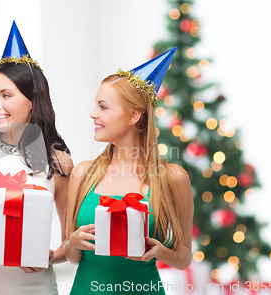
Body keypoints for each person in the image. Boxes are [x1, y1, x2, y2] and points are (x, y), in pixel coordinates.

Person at [0, 21, 73, 295]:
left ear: (33, 100)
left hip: (37, 288)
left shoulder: (59, 162)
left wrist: (51, 257)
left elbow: (70, 241)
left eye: (7, 95)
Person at [64, 48, 194, 294]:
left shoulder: (173, 178)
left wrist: (161, 252)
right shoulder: (82, 174)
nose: (93, 114)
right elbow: (72, 256)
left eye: (103, 107)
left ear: (134, 115)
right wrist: (72, 242)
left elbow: (184, 257)